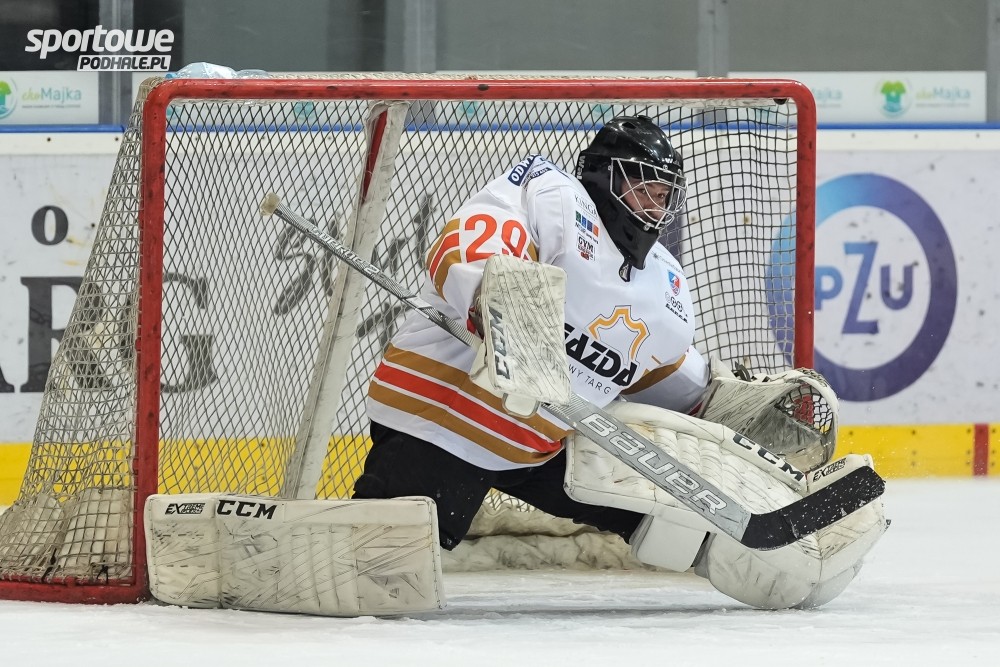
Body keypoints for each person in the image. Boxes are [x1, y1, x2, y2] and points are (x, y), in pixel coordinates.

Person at [354, 115, 711, 551]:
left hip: (541, 446)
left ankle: (758, 557)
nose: (655, 208)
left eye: (662, 195)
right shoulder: (554, 198)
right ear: (604, 177)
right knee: (386, 556)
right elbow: (468, 245)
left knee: (678, 524)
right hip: (446, 423)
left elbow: (663, 371)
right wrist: (496, 303)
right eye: (643, 190)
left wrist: (715, 397)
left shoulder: (666, 283)